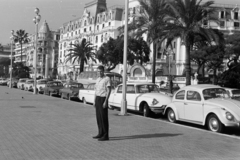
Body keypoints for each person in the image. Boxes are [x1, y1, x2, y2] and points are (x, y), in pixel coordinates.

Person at [92, 65, 111, 141]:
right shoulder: (97, 80)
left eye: (101, 71)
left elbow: (109, 90)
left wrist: (106, 101)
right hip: (97, 98)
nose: (99, 73)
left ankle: (105, 135)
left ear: (103, 71)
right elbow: (96, 91)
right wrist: (94, 100)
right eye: (98, 71)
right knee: (98, 117)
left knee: (104, 118)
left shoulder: (107, 79)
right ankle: (100, 133)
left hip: (103, 98)